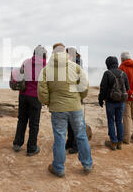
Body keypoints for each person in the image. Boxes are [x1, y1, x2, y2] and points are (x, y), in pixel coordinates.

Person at [37, 43, 93, 177]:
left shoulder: (46, 70)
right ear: (65, 52)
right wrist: (79, 97)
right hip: (75, 107)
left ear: (53, 52)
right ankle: (87, 164)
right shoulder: (75, 67)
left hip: (58, 109)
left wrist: (48, 102)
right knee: (81, 135)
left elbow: (42, 90)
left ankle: (59, 168)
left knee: (60, 137)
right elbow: (84, 86)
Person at [12, 45, 47, 156]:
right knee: (34, 123)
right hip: (35, 97)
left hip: (23, 95)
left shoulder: (26, 62)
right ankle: (31, 148)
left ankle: (17, 143)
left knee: (22, 120)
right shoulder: (45, 65)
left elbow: (20, 75)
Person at [98, 56, 130, 150]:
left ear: (108, 64)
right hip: (121, 102)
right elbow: (127, 88)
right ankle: (120, 142)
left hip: (110, 102)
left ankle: (113, 142)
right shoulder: (123, 73)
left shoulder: (107, 73)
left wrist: (100, 100)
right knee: (119, 121)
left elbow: (102, 89)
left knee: (111, 121)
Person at [65, 47, 82, 154]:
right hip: (68, 96)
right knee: (68, 120)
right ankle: (70, 141)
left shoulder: (77, 65)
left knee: (75, 122)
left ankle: (76, 145)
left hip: (75, 96)